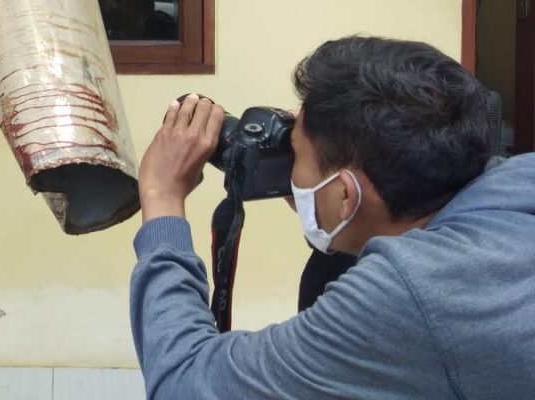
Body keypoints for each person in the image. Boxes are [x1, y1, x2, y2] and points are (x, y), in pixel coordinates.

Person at [131, 35, 535, 399]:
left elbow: (183, 382)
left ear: (346, 196)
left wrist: (162, 197)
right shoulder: (520, 179)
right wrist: (321, 184)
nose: (291, 165)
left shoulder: (405, 296)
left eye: (296, 151)